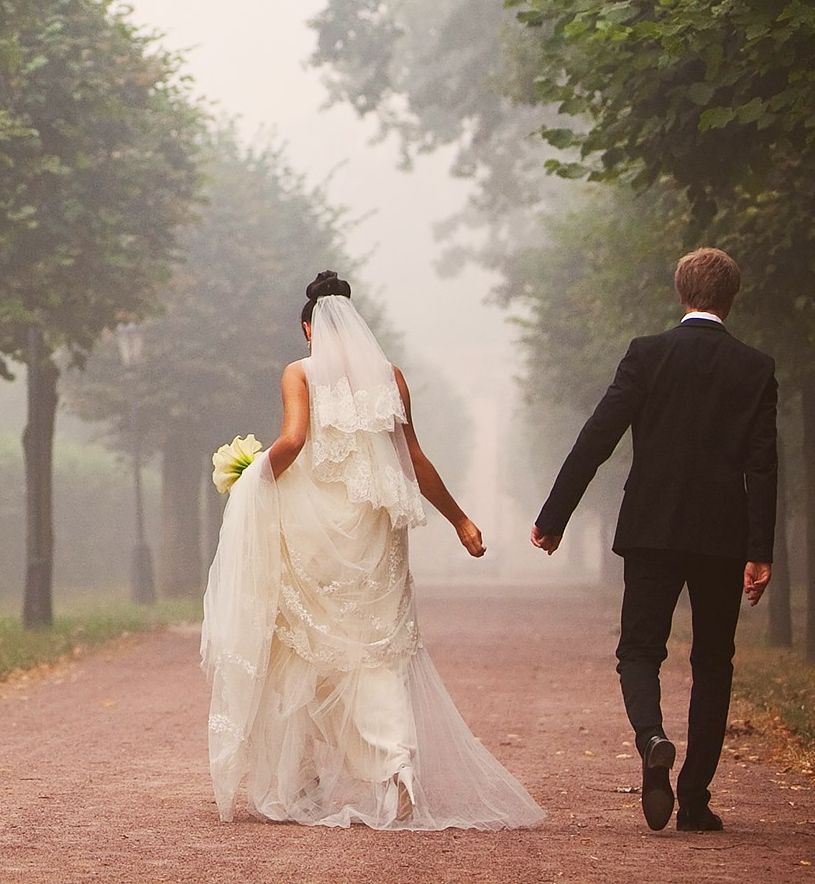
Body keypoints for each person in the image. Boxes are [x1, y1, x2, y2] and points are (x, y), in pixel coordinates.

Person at [203, 270, 543, 829]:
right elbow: (414, 458)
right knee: (375, 652)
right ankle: (396, 763)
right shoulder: (391, 377)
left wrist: (249, 480)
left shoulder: (300, 373)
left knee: (304, 645)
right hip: (376, 532)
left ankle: (307, 771)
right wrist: (459, 519)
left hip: (312, 529)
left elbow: (291, 441)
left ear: (308, 327)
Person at [533, 246, 779, 833]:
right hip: (722, 536)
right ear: (731, 297)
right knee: (714, 662)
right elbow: (763, 464)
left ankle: (651, 738)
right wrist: (760, 549)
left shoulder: (648, 355)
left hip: (651, 529)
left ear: (682, 292)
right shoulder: (756, 367)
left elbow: (599, 437)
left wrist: (555, 515)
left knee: (640, 651)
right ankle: (695, 799)